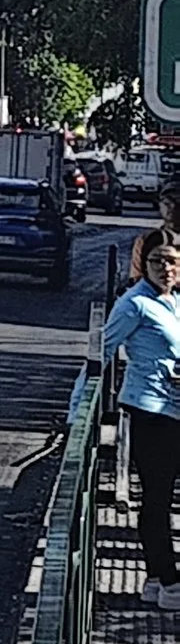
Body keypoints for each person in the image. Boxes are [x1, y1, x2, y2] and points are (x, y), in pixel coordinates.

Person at [105, 240, 180, 607]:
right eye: (158, 261)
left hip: (174, 410)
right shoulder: (134, 303)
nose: (166, 269)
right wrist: (78, 409)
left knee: (162, 496)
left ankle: (155, 579)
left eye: (173, 263)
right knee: (157, 497)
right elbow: (102, 349)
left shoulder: (174, 302)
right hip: (151, 411)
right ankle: (168, 580)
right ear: (144, 264)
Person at [131, 183, 180, 279]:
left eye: (178, 202)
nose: (173, 207)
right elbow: (136, 278)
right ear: (159, 205)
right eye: (167, 202)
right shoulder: (146, 241)